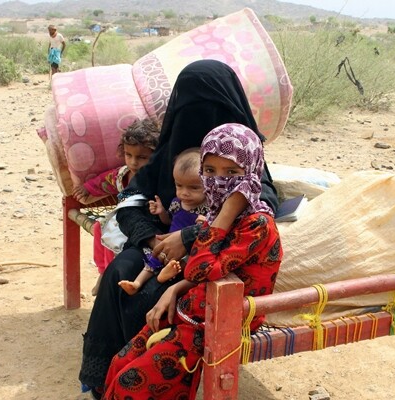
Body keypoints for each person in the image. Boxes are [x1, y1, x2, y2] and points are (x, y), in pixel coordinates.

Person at [78, 59, 280, 397]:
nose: (198, 117)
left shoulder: (241, 157)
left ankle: (150, 380)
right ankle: (106, 378)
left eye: (211, 107)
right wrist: (152, 237)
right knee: (119, 271)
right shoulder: (163, 156)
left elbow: (258, 204)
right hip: (155, 247)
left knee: (153, 295)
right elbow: (130, 203)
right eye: (189, 108)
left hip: (207, 254)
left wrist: (187, 237)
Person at [71, 118, 160, 296]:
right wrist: (87, 188)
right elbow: (104, 181)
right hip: (120, 220)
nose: (134, 162)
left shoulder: (157, 178)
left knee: (115, 238)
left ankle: (111, 272)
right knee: (99, 227)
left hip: (144, 224)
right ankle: (103, 271)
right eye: (129, 155)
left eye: (142, 157)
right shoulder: (122, 175)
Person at [118, 148, 208, 295]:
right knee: (152, 258)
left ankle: (165, 276)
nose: (184, 192)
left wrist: (203, 223)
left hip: (188, 248)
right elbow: (169, 221)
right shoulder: (177, 202)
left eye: (194, 188)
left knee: (188, 262)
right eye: (179, 186)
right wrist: (161, 212)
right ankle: (137, 283)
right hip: (168, 243)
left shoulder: (207, 208)